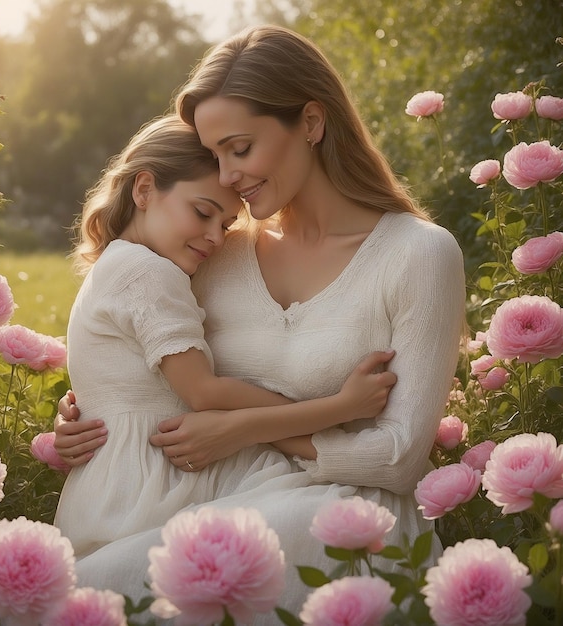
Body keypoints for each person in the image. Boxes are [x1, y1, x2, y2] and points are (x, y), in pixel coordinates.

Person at [54, 25, 465, 623]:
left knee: (120, 583)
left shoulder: (419, 255)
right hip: (211, 495)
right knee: (92, 585)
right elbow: (135, 340)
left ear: (312, 123)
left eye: (239, 148)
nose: (225, 176)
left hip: (342, 516)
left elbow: (400, 457)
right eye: (214, 154)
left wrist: (243, 429)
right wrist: (86, 410)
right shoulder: (217, 250)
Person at [54, 113, 397, 563]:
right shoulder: (147, 273)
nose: (216, 237)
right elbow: (204, 391)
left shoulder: (118, 265)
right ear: (143, 190)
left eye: (227, 223)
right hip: (159, 483)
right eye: (202, 212)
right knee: (332, 518)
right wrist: (339, 410)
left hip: (115, 483)